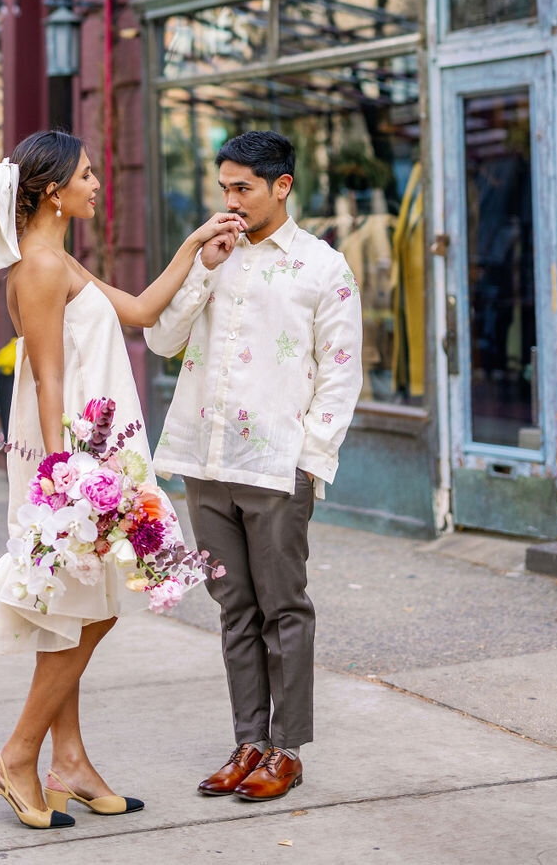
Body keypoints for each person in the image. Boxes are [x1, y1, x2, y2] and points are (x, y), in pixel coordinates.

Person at [0, 130, 244, 831]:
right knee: (85, 608)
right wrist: (67, 473)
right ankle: (18, 754)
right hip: (72, 454)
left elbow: (141, 311)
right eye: (87, 175)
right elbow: (46, 374)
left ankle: (69, 762)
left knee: (81, 605)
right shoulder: (37, 268)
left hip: (95, 447)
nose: (98, 184)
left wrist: (193, 248)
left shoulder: (60, 260)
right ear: (51, 191)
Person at [145, 130, 363, 802]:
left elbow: (341, 375)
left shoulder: (324, 268)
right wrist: (201, 266)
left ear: (282, 185)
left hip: (276, 468)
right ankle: (249, 740)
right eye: (225, 188)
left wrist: (308, 463)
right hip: (204, 462)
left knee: (283, 608)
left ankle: (287, 750)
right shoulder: (215, 254)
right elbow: (161, 338)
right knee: (233, 606)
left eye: (243, 187)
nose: (230, 201)